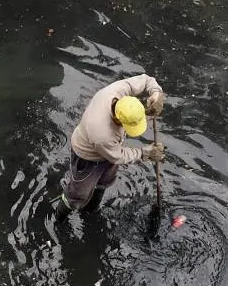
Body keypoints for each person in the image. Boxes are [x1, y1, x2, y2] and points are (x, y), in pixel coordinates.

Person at [53, 74, 166, 218]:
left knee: (104, 183)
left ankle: (91, 211)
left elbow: (146, 79)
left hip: (110, 150)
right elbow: (118, 155)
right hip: (87, 157)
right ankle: (59, 218)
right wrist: (145, 153)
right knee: (77, 195)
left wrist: (156, 94)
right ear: (117, 119)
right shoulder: (102, 133)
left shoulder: (117, 91)